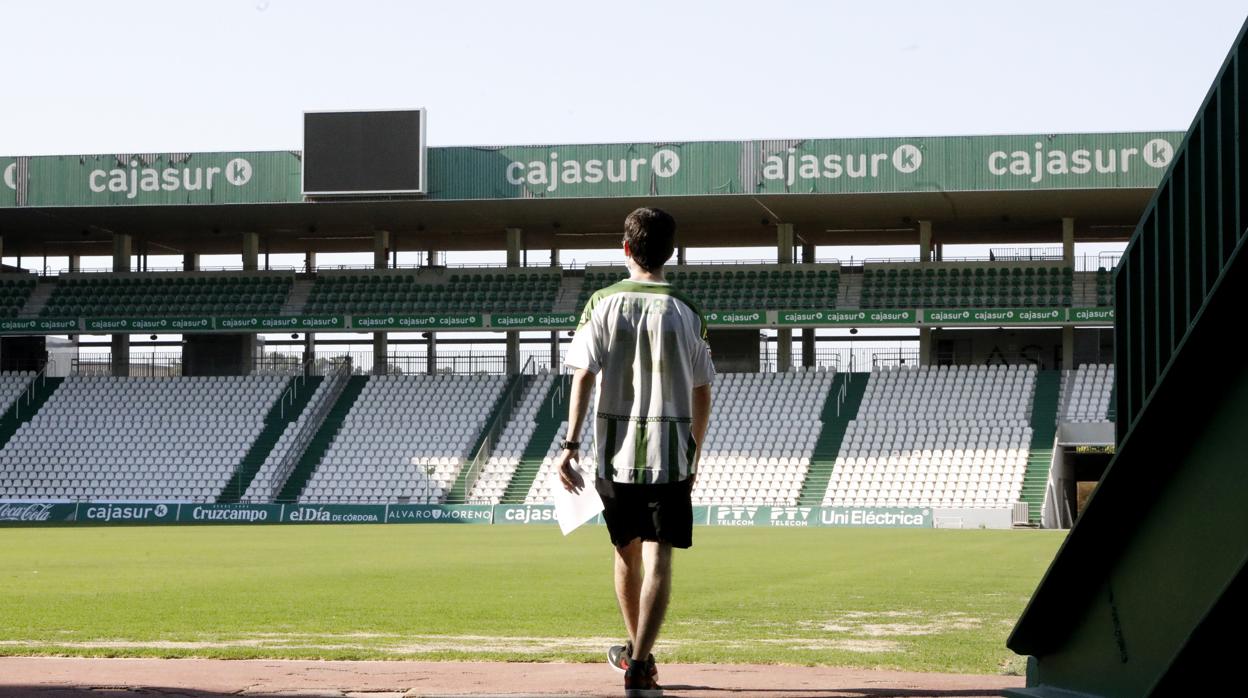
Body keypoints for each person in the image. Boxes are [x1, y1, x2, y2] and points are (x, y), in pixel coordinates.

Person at [558, 206, 714, 698]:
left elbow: (582, 373)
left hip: (614, 453)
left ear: (626, 249)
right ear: (671, 252)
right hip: (670, 452)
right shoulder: (687, 311)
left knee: (625, 553)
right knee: (660, 555)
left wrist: (571, 444)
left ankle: (636, 655)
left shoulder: (602, 303)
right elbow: (704, 389)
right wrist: (695, 451)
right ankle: (640, 661)